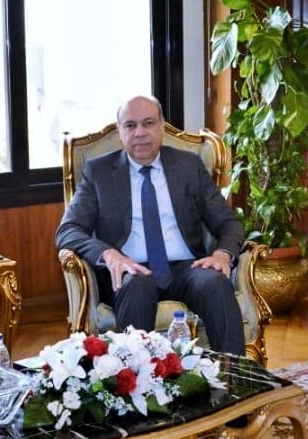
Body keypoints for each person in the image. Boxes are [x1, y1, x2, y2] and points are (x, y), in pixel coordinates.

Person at [56, 94, 246, 354]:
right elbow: (68, 231)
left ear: (161, 126)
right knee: (137, 287)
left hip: (186, 267)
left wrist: (222, 254)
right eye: (130, 125)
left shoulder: (188, 165)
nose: (140, 133)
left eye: (148, 123)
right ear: (120, 132)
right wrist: (109, 254)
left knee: (215, 283)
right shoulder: (98, 172)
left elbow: (228, 223)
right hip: (130, 269)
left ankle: (236, 372)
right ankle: (132, 376)